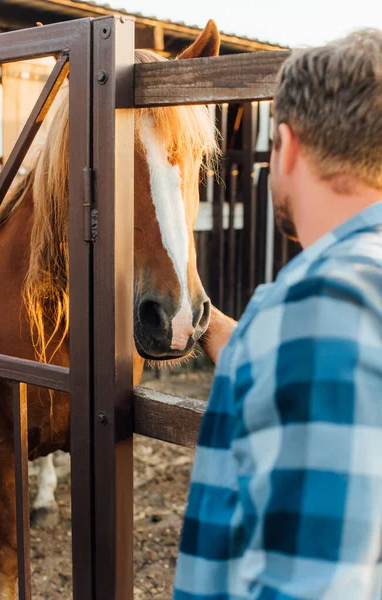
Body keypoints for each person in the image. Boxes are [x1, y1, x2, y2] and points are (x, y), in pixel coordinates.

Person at [174, 29, 382, 599]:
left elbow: (316, 584)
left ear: (286, 146)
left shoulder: (323, 305)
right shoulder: (339, 296)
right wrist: (205, 314)